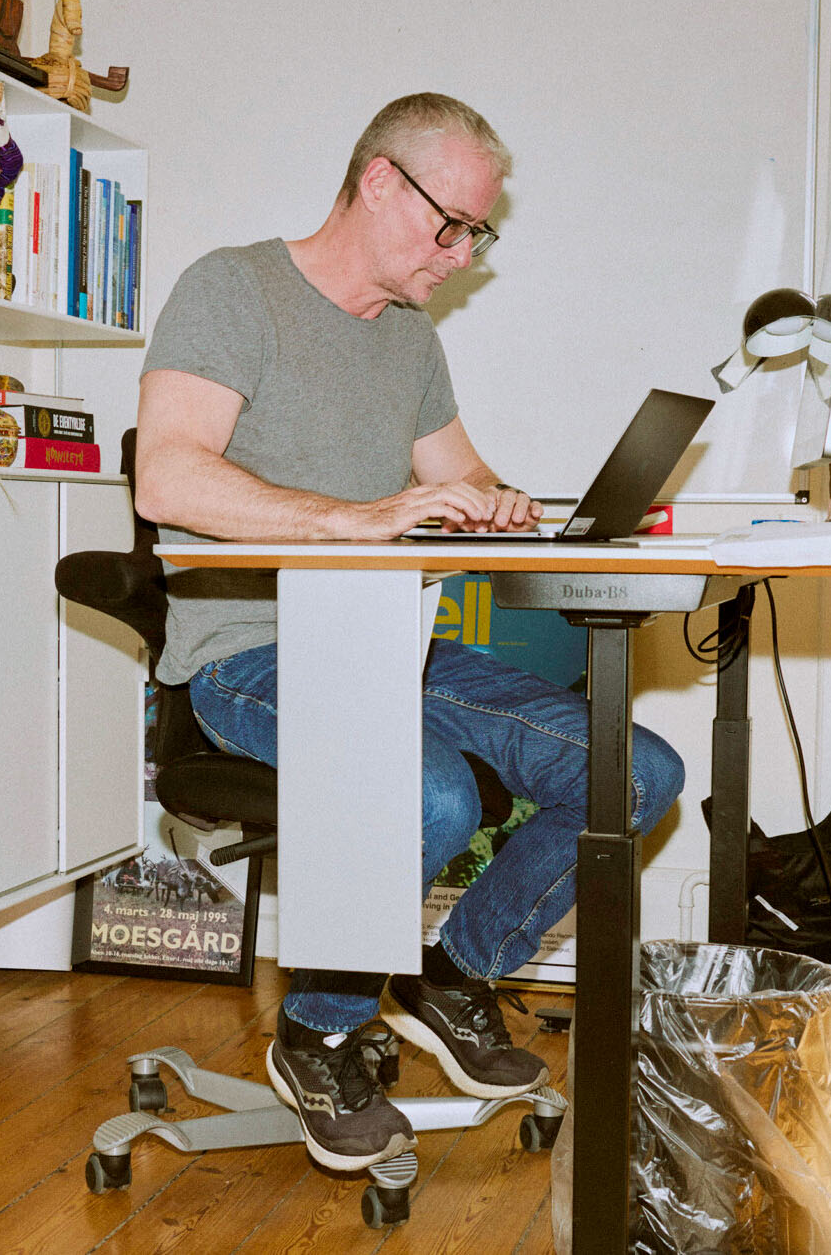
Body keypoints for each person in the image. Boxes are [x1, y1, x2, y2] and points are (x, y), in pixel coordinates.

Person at [134, 92, 686, 1173]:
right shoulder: (232, 289)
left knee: (635, 769)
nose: (462, 253)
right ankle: (320, 1027)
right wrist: (356, 517)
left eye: (478, 234)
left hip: (395, 644)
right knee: (430, 792)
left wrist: (501, 504)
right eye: (451, 226)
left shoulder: (410, 342)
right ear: (379, 180)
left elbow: (460, 477)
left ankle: (453, 971)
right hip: (251, 658)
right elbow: (166, 476)